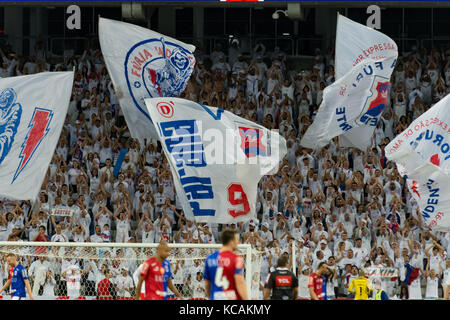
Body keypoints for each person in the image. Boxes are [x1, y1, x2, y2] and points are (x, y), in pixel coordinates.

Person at [203, 228, 248, 300]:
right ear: (231, 242)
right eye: (236, 240)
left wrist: (210, 297)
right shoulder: (236, 259)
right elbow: (240, 283)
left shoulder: (209, 259)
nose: (238, 243)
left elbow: (206, 283)